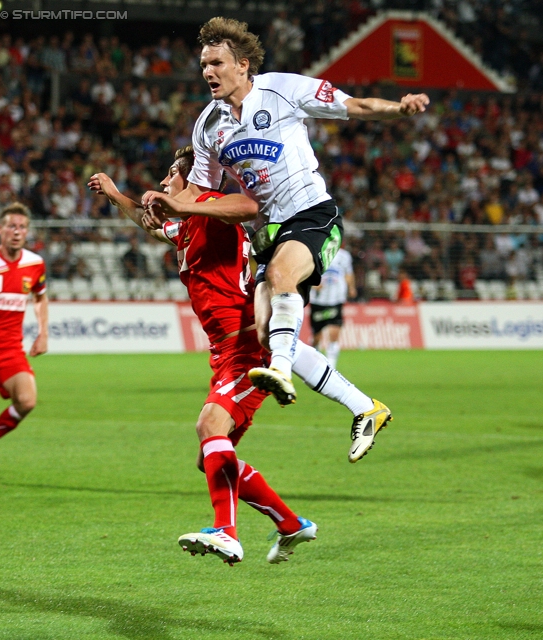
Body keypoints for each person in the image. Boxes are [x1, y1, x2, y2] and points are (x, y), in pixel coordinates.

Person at [142, 17, 427, 455]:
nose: (207, 72)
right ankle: (364, 407)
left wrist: (398, 108)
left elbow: (356, 106)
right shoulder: (208, 126)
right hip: (268, 233)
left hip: (313, 213)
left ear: (242, 65)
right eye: (203, 64)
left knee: (279, 278)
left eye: (216, 62)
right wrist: (163, 202)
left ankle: (280, 372)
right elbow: (202, 189)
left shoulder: (282, 89)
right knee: (263, 331)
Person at [91, 148, 385, 564]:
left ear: (193, 179)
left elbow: (248, 205)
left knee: (209, 424)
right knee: (210, 455)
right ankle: (290, 524)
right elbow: (147, 221)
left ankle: (227, 533)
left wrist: (184, 200)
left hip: (247, 346)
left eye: (170, 176)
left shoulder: (211, 208)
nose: (163, 185)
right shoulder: (187, 226)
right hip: (223, 352)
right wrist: (114, 193)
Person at [0, 203, 48, 476]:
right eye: (11, 226)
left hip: (10, 350)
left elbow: (40, 296)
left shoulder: (34, 263)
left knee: (26, 401)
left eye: (22, 227)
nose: (17, 232)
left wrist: (43, 332)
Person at [309, 245, 356, 368]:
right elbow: (306, 273)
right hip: (318, 300)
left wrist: (351, 287)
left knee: (334, 331)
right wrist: (313, 285)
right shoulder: (315, 252)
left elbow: (348, 273)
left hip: (336, 298)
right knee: (316, 336)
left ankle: (331, 365)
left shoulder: (344, 256)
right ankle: (315, 361)